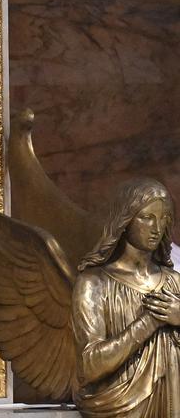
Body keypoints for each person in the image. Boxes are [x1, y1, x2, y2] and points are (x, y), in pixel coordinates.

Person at [73, 178, 180, 417]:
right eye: (147, 217)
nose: (157, 227)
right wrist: (148, 322)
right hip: (122, 406)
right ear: (125, 218)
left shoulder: (174, 282)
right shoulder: (94, 283)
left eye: (164, 218)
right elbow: (90, 366)